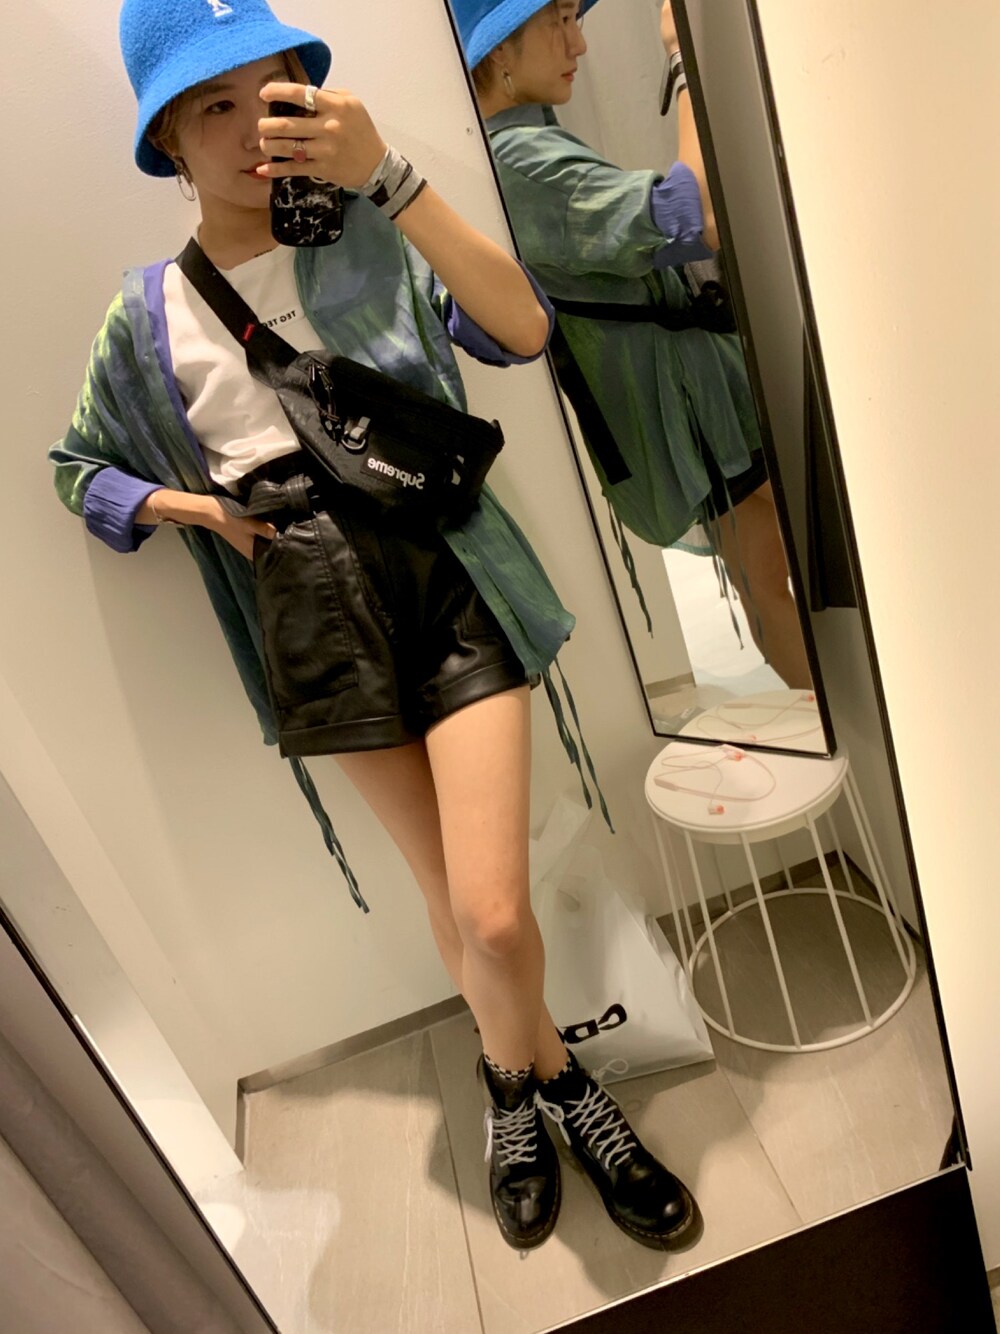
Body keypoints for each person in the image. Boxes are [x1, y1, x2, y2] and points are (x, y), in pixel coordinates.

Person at [49, 0, 698, 1253]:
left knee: (493, 911)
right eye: (214, 106)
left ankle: (522, 1084)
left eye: (273, 91)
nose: (251, 128)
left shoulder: (371, 237)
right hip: (308, 602)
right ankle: (557, 1088)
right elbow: (79, 470)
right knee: (448, 899)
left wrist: (389, 177)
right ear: (167, 139)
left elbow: (522, 330)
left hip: (445, 570)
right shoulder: (147, 317)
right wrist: (195, 507)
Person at [455, 0, 813, 689]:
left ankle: (849, 728)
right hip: (695, 409)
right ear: (498, 50)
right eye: (560, 22)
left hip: (692, 409)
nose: (579, 45)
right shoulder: (520, 160)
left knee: (768, 582)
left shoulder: (520, 145)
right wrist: (682, 61)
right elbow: (693, 214)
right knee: (816, 562)